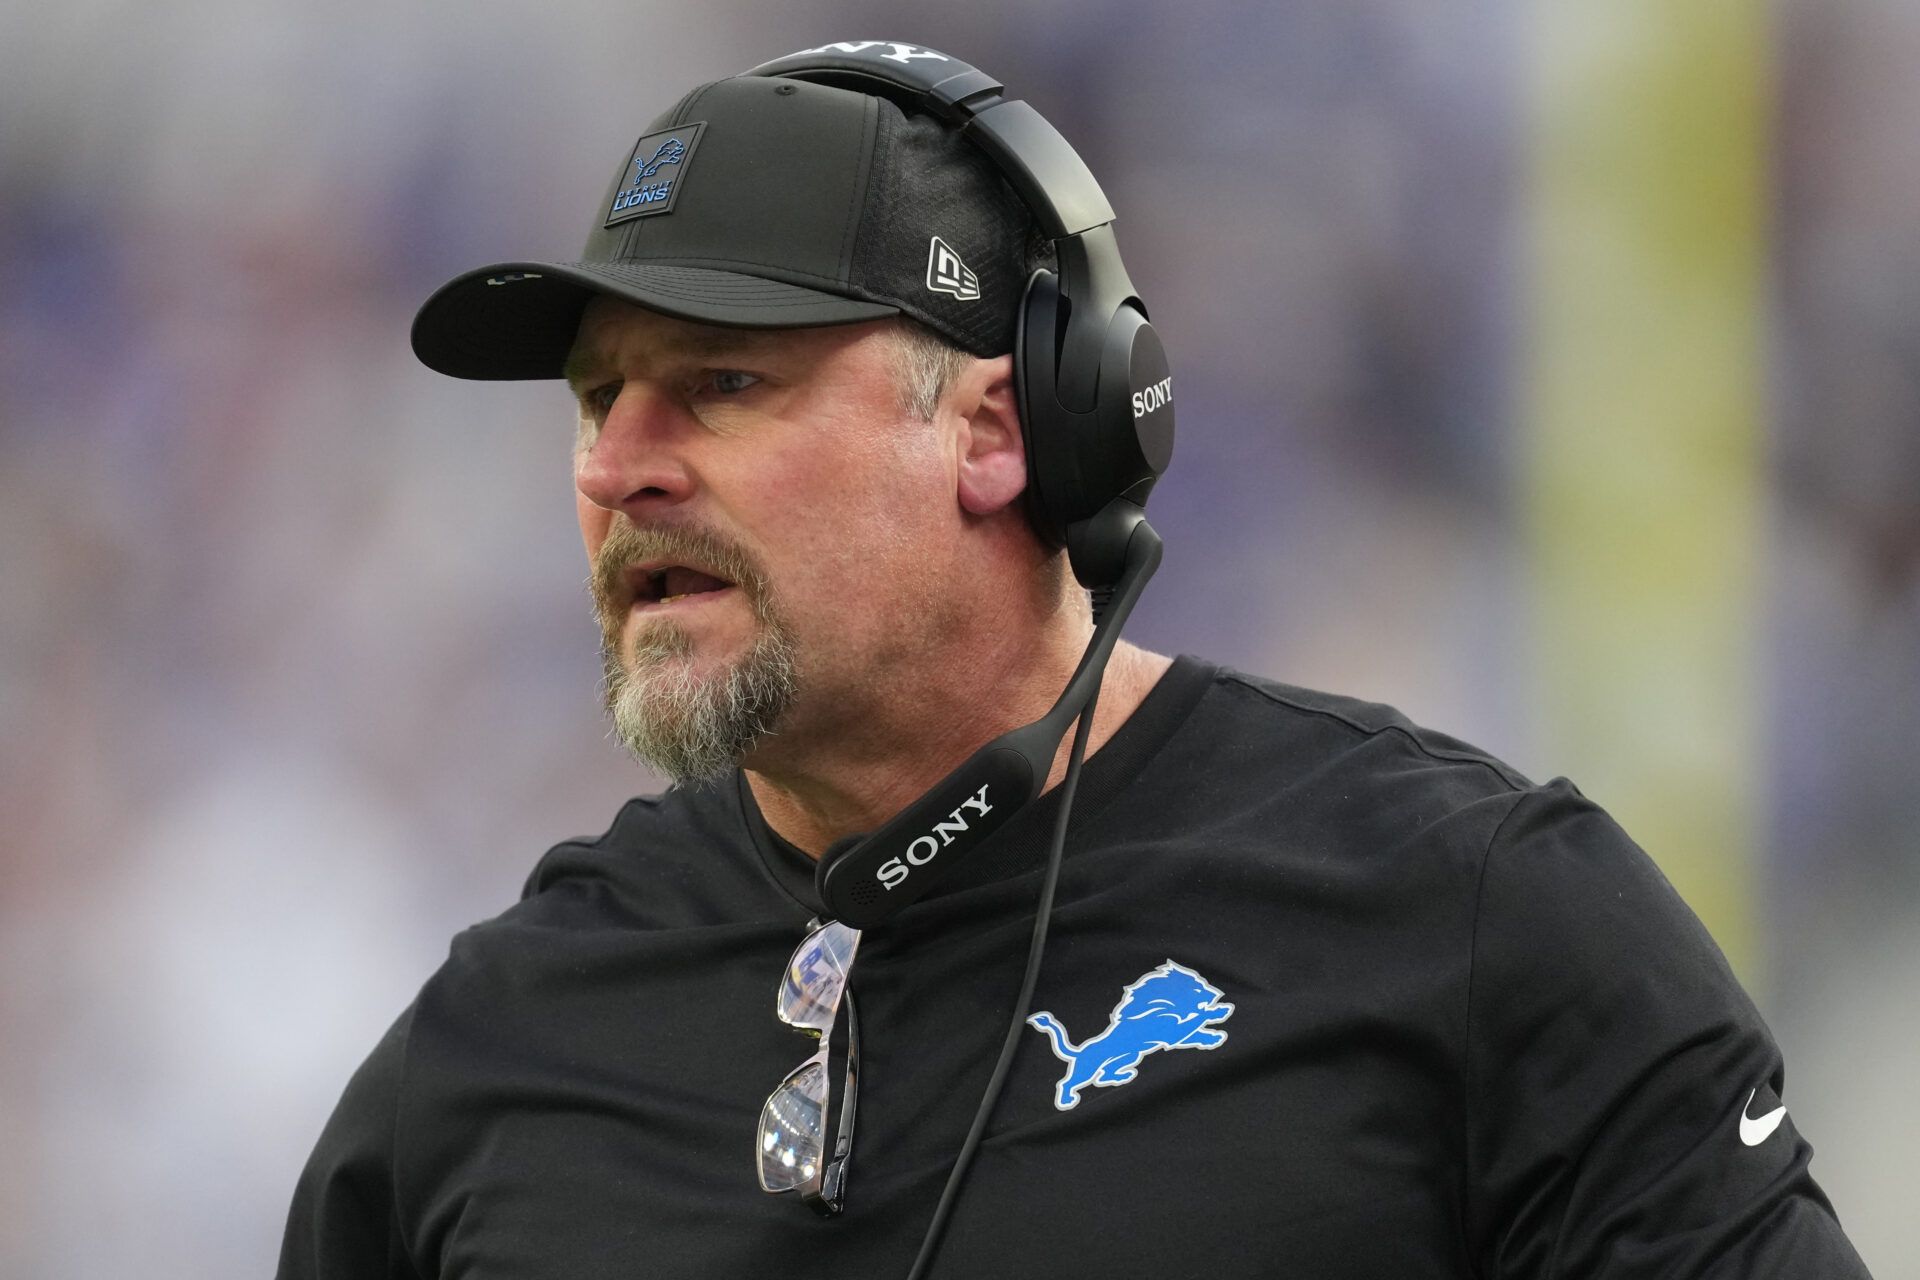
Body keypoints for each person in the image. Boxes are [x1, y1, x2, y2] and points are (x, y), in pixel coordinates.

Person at [278, 43, 1871, 1279]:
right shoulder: (499, 1042)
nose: (617, 465)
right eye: (592, 399)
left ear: (998, 432)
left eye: (719, 384)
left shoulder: (1477, 923)